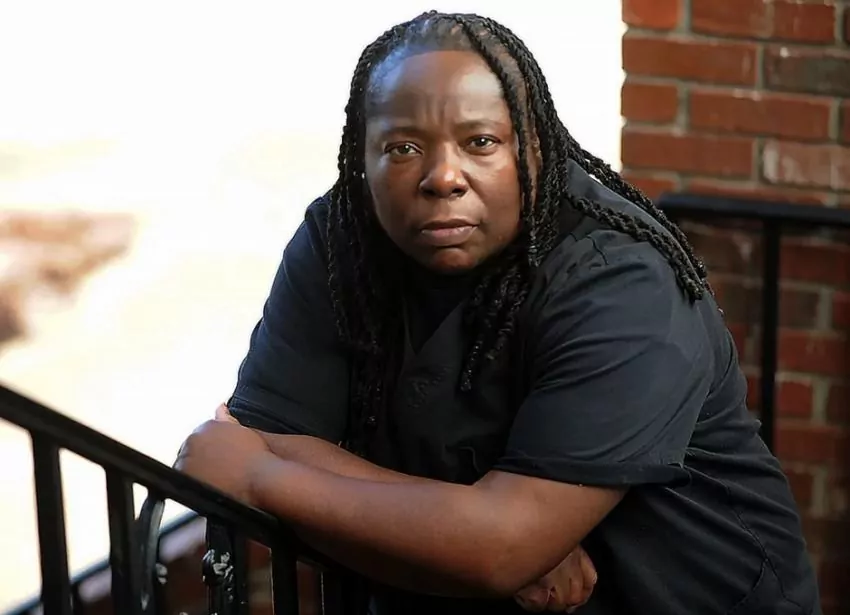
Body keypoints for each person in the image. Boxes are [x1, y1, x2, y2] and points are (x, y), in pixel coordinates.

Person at [175, 11, 821, 615]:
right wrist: (480, 533)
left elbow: (497, 547)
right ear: (361, 153)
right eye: (402, 147)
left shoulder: (623, 283)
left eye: (480, 142)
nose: (442, 176)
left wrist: (261, 479)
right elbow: (268, 429)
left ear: (533, 148)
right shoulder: (340, 236)